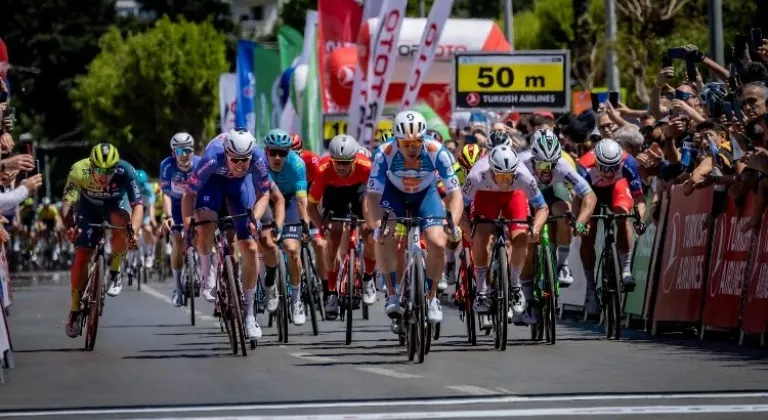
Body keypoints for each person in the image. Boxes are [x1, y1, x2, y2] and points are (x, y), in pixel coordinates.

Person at [365, 110, 463, 324]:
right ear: (396, 140)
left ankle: (432, 296)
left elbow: (455, 194)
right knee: (384, 235)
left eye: (417, 142)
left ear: (424, 138)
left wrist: (452, 223)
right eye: (406, 142)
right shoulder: (384, 153)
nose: (412, 148)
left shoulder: (437, 151)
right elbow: (372, 196)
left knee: (437, 242)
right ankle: (392, 293)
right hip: (394, 196)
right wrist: (376, 224)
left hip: (425, 196)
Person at [182, 128, 272, 340]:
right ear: (226, 154)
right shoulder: (212, 158)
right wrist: (188, 225)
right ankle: (207, 272)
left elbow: (264, 194)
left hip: (239, 188)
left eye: (245, 160)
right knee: (205, 226)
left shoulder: (258, 159)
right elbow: (189, 194)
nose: (241, 165)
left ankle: (249, 315)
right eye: (235, 160)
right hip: (212, 185)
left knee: (249, 246)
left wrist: (255, 219)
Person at [460, 145, 549, 326]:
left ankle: (515, 286)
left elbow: (542, 207)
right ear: (491, 170)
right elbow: (459, 207)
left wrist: (536, 228)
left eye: (509, 176)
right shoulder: (477, 176)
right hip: (485, 197)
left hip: (514, 197)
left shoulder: (524, 177)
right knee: (480, 237)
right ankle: (482, 290)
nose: (505, 181)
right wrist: (467, 228)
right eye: (500, 176)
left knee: (520, 238)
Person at [61, 143, 143, 338]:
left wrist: (134, 233)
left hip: (115, 205)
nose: (104, 175)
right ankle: (74, 310)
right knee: (82, 255)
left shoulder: (127, 171)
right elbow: (67, 203)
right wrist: (69, 227)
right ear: (91, 165)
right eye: (98, 169)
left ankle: (115, 270)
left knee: (122, 224)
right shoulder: (78, 170)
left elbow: (137, 205)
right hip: (87, 208)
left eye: (109, 170)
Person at [518, 129, 596, 289]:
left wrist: (580, 221)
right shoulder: (520, 164)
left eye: (552, 164)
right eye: (542, 164)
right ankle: (526, 293)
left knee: (565, 212)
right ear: (533, 160)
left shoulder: (562, 165)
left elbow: (589, 195)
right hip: (524, 195)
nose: (547, 170)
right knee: (528, 245)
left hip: (550, 193)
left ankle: (562, 264)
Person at [308, 134, 375, 319]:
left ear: (354, 159)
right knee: (334, 234)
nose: (341, 166)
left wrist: (374, 222)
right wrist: (321, 225)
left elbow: (376, 198)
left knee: (369, 233)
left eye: (346, 162)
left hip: (359, 191)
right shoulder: (323, 169)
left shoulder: (367, 167)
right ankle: (331, 292)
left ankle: (369, 277)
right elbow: (311, 205)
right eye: (337, 162)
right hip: (334, 193)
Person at [577, 138, 646, 314]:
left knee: (622, 217)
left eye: (613, 168)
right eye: (605, 168)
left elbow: (639, 198)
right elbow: (578, 201)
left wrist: (640, 220)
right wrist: (579, 223)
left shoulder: (628, 162)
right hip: (591, 193)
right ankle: (591, 288)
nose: (608, 173)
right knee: (587, 233)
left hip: (617, 188)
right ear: (597, 161)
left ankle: (625, 269)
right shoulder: (584, 166)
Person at [263, 128, 310, 326]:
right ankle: (270, 282)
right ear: (265, 151)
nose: (277, 157)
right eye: (272, 152)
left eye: (282, 153)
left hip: (290, 200)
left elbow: (301, 200)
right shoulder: (259, 164)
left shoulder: (297, 165)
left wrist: (305, 223)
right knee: (267, 243)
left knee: (292, 249)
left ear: (289, 153)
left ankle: (296, 299)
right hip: (266, 199)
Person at [159, 132, 201, 306]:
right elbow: (166, 194)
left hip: (196, 203)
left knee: (202, 234)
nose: (184, 155)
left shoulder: (200, 163)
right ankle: (177, 288)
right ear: (173, 153)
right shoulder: (167, 166)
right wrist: (168, 216)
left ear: (193, 151)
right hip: (176, 205)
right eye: (179, 151)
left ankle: (201, 266)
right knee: (177, 241)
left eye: (188, 150)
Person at [134, 169, 157, 268]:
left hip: (145, 208)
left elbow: (151, 206)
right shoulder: (130, 187)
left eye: (142, 183)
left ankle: (151, 254)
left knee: (148, 229)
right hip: (134, 209)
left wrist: (152, 220)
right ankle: (132, 257)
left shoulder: (149, 189)